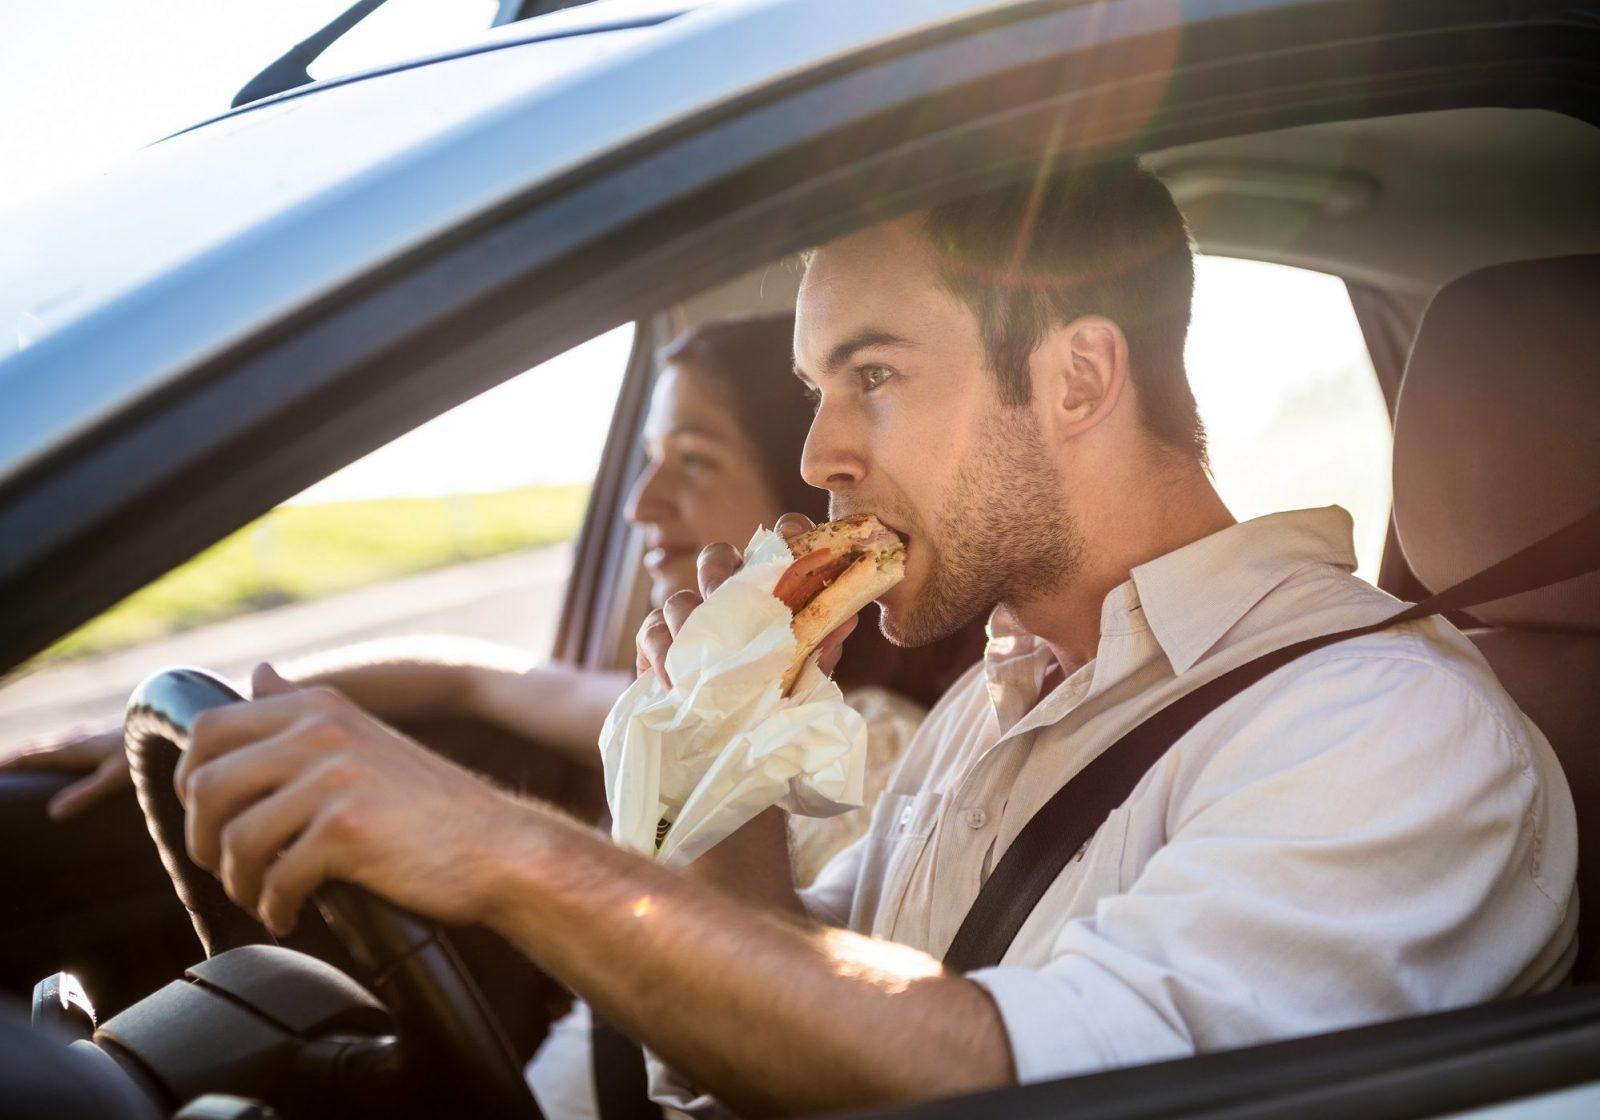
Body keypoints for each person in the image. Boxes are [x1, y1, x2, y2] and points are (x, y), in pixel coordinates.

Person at [140, 161, 1574, 1118]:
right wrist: (719, 759)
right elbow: (803, 1020)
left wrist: (509, 851)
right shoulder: (1001, 700)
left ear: (1077, 377)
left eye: (873, 376)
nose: (820, 451)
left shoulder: (1385, 731)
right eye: (817, 385)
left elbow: (1006, 1079)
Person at [0, 315, 980, 883]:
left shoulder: (874, 754)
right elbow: (472, 678)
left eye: (693, 460)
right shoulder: (690, 703)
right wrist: (198, 710)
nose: (643, 504)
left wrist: (492, 850)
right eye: (645, 462)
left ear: (797, 502)